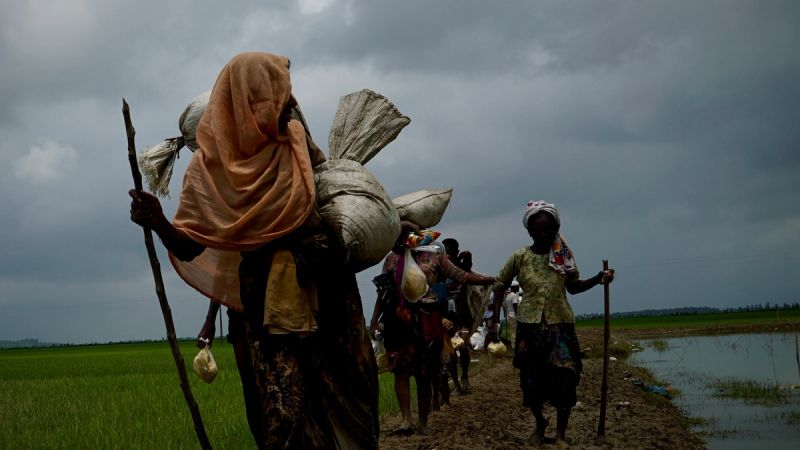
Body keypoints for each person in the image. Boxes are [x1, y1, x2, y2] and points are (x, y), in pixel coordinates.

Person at [129, 52, 379, 449]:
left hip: (329, 291)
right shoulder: (209, 170)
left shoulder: (295, 142)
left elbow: (327, 200)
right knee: (284, 412)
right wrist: (158, 220)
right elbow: (190, 245)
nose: (285, 102)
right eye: (272, 94)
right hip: (267, 305)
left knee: (350, 392)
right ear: (246, 103)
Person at [488, 200, 614, 446]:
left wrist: (599, 279)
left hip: (561, 326)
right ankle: (540, 422)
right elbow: (500, 285)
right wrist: (494, 322)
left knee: (565, 379)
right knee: (530, 382)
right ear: (530, 230)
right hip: (529, 327)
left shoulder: (563, 256)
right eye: (538, 229)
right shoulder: (520, 257)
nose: (544, 233)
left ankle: (560, 434)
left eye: (548, 228)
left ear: (556, 228)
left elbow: (574, 287)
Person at [370, 229, 494, 435]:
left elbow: (460, 275)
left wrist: (489, 280)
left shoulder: (435, 257)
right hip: (398, 319)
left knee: (424, 371)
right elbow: (384, 292)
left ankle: (422, 421)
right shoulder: (392, 259)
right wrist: (374, 320)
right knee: (399, 370)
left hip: (426, 319)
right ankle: (406, 420)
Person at [441, 238, 476, 392]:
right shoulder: (440, 270)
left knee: (463, 347)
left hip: (463, 316)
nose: (447, 255)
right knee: (450, 352)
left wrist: (465, 256)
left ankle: (465, 377)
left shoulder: (462, 268)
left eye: (450, 251)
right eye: (445, 252)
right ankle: (455, 384)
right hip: (448, 317)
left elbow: (468, 260)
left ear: (455, 252)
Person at [504, 280, 521, 349]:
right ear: (514, 287)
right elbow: (515, 306)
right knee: (514, 333)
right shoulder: (514, 296)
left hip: (509, 315)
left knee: (512, 332)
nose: (518, 288)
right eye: (517, 287)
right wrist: (518, 316)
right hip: (513, 315)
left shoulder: (508, 295)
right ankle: (514, 347)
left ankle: (512, 345)